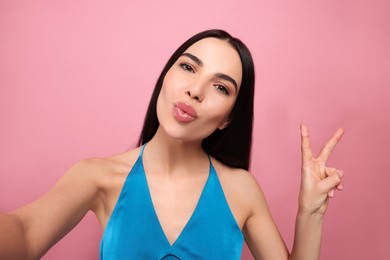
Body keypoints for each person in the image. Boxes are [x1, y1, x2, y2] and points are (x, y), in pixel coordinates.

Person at [0, 29, 344, 259]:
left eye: (221, 87)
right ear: (165, 76)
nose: (195, 90)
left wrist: (310, 210)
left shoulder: (241, 190)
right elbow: (26, 232)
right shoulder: (97, 177)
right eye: (188, 67)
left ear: (228, 118)